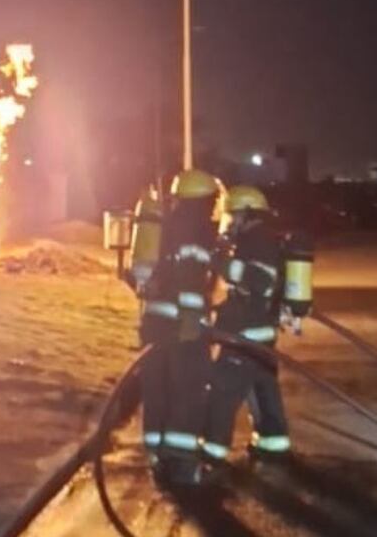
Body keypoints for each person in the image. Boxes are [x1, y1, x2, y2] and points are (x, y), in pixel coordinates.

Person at [202, 185, 314, 469]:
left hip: (246, 334)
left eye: (234, 216)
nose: (231, 223)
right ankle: (273, 444)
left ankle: (212, 452)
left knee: (223, 392)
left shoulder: (257, 240)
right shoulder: (258, 239)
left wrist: (220, 262)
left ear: (247, 214)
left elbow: (259, 279)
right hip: (260, 332)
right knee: (262, 390)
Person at [134, 169, 224, 488]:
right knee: (189, 390)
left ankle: (157, 455)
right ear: (202, 199)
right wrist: (190, 321)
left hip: (155, 323)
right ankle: (183, 464)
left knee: (157, 389)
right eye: (212, 200)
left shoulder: (168, 223)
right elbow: (190, 274)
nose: (214, 206)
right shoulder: (195, 227)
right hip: (181, 326)